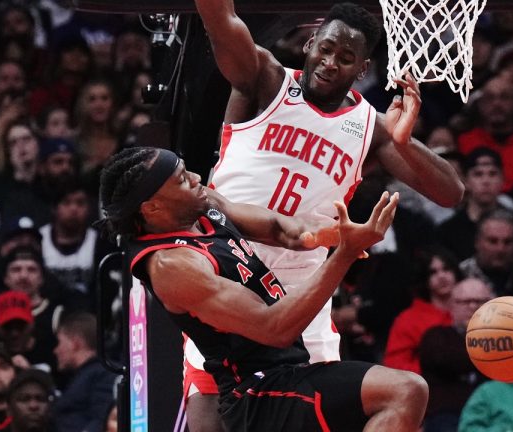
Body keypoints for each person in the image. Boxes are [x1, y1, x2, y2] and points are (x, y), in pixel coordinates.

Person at [192, 1, 463, 429]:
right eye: (326, 48)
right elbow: (220, 20)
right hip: (227, 273)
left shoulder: (370, 127)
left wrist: (405, 142)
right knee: (212, 420)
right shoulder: (265, 79)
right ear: (310, 43)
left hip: (304, 289)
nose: (331, 62)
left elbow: (451, 193)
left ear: (363, 68)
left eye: (346, 57)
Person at [98, 147, 428, 431]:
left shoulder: (198, 205)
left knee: (403, 393)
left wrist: (335, 233)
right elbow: (274, 328)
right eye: (182, 180)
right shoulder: (172, 265)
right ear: (152, 208)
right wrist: (344, 255)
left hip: (286, 372)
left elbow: (280, 229)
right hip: (257, 394)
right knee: (404, 391)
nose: (197, 178)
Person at [418, 277, 494, 432]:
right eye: (466, 302)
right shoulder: (436, 335)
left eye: (480, 302)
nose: (473, 307)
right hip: (447, 414)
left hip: (493, 412)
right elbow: (445, 359)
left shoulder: (501, 338)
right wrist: (493, 351)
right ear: (452, 305)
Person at [383, 246, 459, 374]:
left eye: (446, 269)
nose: (441, 276)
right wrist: (432, 373)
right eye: (433, 272)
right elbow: (394, 365)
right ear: (424, 279)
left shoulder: (472, 306)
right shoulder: (408, 320)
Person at [52, 312, 116, 432]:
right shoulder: (81, 376)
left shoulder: (103, 374)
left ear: (75, 343)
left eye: (59, 342)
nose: (56, 350)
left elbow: (103, 418)